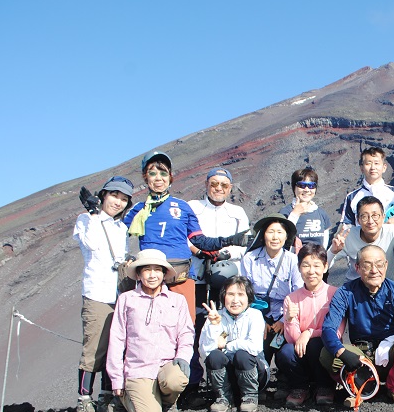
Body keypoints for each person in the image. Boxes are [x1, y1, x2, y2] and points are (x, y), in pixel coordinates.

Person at [124, 151, 245, 318]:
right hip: (150, 277)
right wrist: (97, 215)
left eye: (163, 173)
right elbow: (116, 232)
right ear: (146, 177)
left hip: (181, 276)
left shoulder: (182, 207)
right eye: (152, 173)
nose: (158, 178)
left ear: (170, 176)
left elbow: (200, 241)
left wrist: (230, 240)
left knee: (185, 326)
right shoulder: (138, 209)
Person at [321, 246, 394, 406]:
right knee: (327, 353)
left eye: (379, 264)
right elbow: (329, 328)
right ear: (357, 267)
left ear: (386, 265)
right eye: (367, 265)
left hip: (391, 354)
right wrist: (341, 352)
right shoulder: (345, 292)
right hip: (361, 357)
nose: (374, 270)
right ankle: (358, 387)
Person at [105, 249, 192, 412]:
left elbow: (186, 333)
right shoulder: (126, 300)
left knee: (177, 379)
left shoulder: (177, 300)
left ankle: (168, 404)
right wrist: (117, 378)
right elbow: (117, 339)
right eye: (147, 270)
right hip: (139, 369)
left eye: (157, 270)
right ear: (138, 274)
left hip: (166, 365)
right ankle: (124, 398)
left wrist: (182, 357)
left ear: (164, 273)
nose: (152, 275)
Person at [73, 176, 134, 412]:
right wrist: (94, 213)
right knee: (94, 348)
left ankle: (106, 397)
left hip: (118, 295)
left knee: (114, 348)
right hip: (97, 294)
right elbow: (92, 243)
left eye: (123, 199)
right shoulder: (86, 220)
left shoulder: (121, 228)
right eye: (114, 196)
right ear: (103, 195)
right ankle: (83, 402)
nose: (118, 202)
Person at [187, 167, 250, 399]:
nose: (218, 189)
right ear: (206, 184)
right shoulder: (193, 207)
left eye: (224, 185)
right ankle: (193, 381)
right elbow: (184, 236)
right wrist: (201, 252)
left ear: (230, 188)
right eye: (214, 184)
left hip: (225, 275)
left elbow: (244, 244)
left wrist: (222, 254)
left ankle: (226, 381)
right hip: (196, 275)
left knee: (224, 326)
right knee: (194, 326)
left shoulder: (237, 212)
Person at [279, 243, 342, 408]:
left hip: (322, 350)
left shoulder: (335, 294)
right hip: (301, 352)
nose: (311, 271)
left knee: (317, 344)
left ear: (325, 266)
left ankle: (325, 386)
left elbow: (337, 333)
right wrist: (290, 319)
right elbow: (292, 339)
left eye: (316, 265)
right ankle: (300, 387)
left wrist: (308, 332)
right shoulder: (291, 299)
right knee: (285, 352)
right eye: (305, 265)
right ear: (299, 268)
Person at [239, 214, 303, 370]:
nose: (275, 237)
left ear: (286, 236)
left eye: (280, 232)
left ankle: (285, 382)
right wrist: (259, 320)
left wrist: (284, 320)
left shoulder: (292, 260)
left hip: (285, 313)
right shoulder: (249, 259)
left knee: (287, 353)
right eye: (271, 232)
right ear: (263, 235)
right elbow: (244, 293)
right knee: (256, 353)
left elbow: (298, 292)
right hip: (257, 313)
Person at [198, 275, 267, 412]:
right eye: (230, 294)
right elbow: (206, 352)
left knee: (242, 355)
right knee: (215, 356)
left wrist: (228, 345)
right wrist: (214, 325)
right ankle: (223, 398)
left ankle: (250, 397)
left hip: (253, 371)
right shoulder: (215, 316)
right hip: (227, 377)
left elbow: (255, 347)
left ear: (248, 297)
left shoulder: (255, 315)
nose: (235, 300)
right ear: (223, 297)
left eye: (240, 294)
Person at [327, 196, 394, 284]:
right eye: (364, 216)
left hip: (386, 286)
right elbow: (324, 265)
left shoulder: (392, 232)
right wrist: (333, 251)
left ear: (383, 217)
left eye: (375, 215)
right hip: (355, 288)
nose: (370, 221)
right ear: (358, 220)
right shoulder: (348, 236)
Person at [338, 145, 394, 228]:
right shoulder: (352, 197)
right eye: (368, 164)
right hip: (362, 240)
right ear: (362, 168)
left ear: (384, 167)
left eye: (376, 163)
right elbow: (347, 225)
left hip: (392, 240)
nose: (373, 167)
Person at [279, 166, 332, 248]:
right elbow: (281, 239)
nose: (307, 190)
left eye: (311, 186)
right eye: (302, 185)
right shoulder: (285, 213)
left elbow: (324, 246)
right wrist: (295, 214)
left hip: (316, 259)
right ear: (294, 187)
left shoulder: (321, 214)